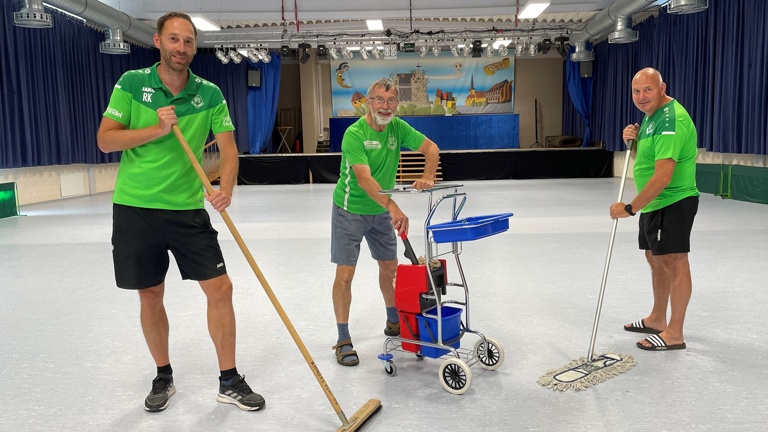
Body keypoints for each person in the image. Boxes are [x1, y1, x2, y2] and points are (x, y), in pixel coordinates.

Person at [96, 12, 264, 412]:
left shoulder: (208, 94)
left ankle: (229, 379)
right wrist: (157, 128)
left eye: (188, 41)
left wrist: (226, 187)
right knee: (151, 293)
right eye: (174, 40)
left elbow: (228, 149)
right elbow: (105, 141)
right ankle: (163, 375)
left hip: (187, 209)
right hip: (136, 208)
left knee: (221, 289)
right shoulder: (133, 84)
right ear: (158, 41)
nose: (181, 48)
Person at [331, 78, 440, 366]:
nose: (386, 106)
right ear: (369, 102)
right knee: (345, 274)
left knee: (389, 267)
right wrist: (392, 206)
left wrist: (428, 176)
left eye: (391, 101)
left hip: (381, 211)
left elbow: (431, 148)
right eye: (379, 99)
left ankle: (393, 322)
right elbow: (365, 180)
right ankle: (343, 338)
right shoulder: (354, 134)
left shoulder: (397, 127)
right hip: (350, 209)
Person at [610, 68, 699, 352]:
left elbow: (663, 176)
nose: (641, 96)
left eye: (647, 90)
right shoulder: (651, 118)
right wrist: (631, 144)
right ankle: (658, 318)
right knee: (654, 258)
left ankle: (674, 333)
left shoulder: (671, 120)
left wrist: (629, 208)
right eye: (636, 91)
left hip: (672, 200)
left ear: (662, 87)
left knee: (674, 261)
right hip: (654, 202)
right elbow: (648, 160)